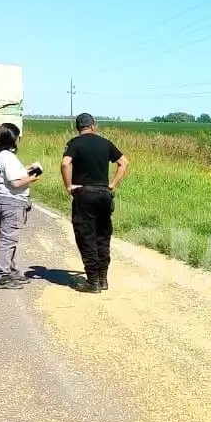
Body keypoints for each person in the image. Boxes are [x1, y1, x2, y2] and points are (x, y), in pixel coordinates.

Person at [61, 113, 129, 293]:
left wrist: (69, 186)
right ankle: (102, 279)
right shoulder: (105, 143)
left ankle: (92, 282)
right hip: (104, 195)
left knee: (86, 236)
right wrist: (112, 185)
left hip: (85, 194)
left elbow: (65, 163)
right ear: (93, 126)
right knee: (103, 236)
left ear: (78, 128)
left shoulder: (74, 143)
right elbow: (123, 162)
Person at [0, 122, 42, 289]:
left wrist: (27, 168)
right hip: (11, 202)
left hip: (0, 199)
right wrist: (32, 178)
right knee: (8, 238)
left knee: (9, 237)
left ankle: (10, 270)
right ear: (13, 138)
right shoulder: (8, 157)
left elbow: (7, 174)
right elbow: (16, 182)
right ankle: (3, 275)